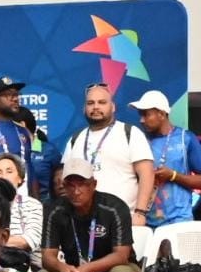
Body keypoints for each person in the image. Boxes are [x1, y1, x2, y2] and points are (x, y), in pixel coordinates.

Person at [62, 83, 155, 225]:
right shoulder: (75, 140)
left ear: (113, 107)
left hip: (123, 220)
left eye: (102, 102)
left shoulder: (130, 133)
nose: (96, 107)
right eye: (90, 103)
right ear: (84, 108)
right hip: (83, 222)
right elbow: (66, 181)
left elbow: (147, 174)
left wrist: (140, 212)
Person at [130, 90, 201, 228]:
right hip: (145, 222)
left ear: (161, 114)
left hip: (179, 220)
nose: (141, 120)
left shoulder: (186, 138)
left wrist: (173, 175)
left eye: (146, 114)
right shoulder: (138, 140)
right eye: (140, 115)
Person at [0, 152, 44, 270]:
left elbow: (29, 241)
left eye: (9, 172)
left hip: (24, 266)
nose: (3, 176)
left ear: (20, 178)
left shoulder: (33, 204)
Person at [17, 107, 62, 202]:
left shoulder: (48, 150)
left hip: (46, 207)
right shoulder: (10, 150)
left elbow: (60, 179)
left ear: (22, 125)